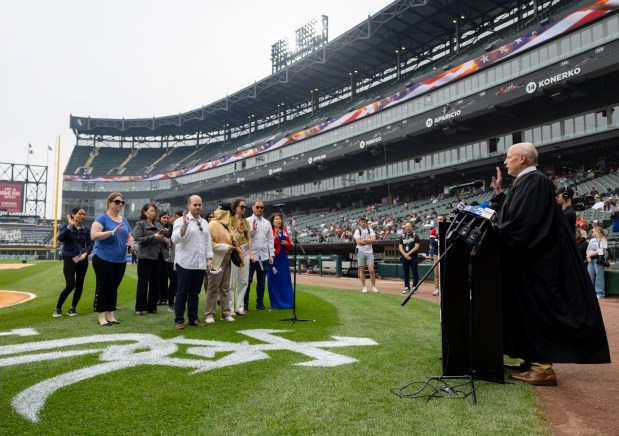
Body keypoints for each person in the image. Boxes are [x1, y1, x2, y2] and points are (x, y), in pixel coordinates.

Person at [490, 142, 609, 386]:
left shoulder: (536, 181)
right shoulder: (525, 182)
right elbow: (513, 215)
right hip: (528, 263)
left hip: (536, 264)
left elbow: (524, 224)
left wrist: (496, 232)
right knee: (523, 310)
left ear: (522, 158)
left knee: (535, 310)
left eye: (508, 157)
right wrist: (500, 194)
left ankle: (543, 369)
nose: (505, 161)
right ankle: (530, 358)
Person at [172, 195, 213, 330]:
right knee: (182, 292)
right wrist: (184, 225)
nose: (197, 207)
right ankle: (179, 319)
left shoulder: (205, 222)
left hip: (200, 263)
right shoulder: (180, 220)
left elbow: (208, 243)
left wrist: (209, 259)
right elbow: (175, 239)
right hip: (185, 262)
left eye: (199, 204)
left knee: (195, 293)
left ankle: (193, 318)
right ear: (188, 205)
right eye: (195, 204)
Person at [91, 192, 132, 326]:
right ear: (109, 203)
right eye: (117, 201)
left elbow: (129, 236)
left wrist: (131, 243)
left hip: (120, 259)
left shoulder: (124, 220)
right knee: (104, 287)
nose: (120, 204)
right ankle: (101, 316)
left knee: (114, 287)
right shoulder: (102, 218)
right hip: (103, 258)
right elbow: (94, 235)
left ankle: (111, 315)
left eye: (122, 202)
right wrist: (112, 232)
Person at [53, 207, 93, 317]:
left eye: (84, 214)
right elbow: (60, 238)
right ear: (73, 215)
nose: (83, 216)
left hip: (81, 258)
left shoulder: (86, 230)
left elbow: (90, 244)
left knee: (79, 285)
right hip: (69, 258)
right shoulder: (66, 226)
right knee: (70, 285)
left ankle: (73, 308)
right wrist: (70, 226)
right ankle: (57, 308)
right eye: (80, 214)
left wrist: (85, 254)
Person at [133, 203, 170, 315]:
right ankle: (139, 308)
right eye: (151, 210)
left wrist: (165, 240)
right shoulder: (140, 224)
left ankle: (152, 307)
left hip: (159, 257)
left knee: (155, 283)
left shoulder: (158, 224)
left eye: (154, 211)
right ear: (144, 212)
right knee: (143, 283)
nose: (153, 213)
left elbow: (165, 237)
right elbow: (137, 238)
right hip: (146, 257)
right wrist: (154, 237)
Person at [204, 203, 237, 323]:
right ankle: (209, 314)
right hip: (217, 259)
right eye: (230, 212)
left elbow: (232, 240)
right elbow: (209, 244)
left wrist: (238, 233)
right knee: (213, 288)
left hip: (227, 258)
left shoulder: (227, 225)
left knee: (225, 287)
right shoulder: (213, 224)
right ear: (225, 212)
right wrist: (225, 247)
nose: (231, 215)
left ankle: (226, 313)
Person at [244, 199, 274, 312]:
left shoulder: (267, 223)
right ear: (253, 207)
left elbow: (270, 239)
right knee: (247, 281)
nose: (260, 209)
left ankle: (259, 304)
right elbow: (246, 239)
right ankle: (245, 304)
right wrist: (253, 229)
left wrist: (271, 254)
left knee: (262, 281)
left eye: (261, 207)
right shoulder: (247, 221)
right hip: (251, 256)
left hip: (264, 256)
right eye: (257, 207)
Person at [229, 199, 251, 316]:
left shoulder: (246, 221)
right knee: (231, 281)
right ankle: (230, 307)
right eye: (241, 207)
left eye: (245, 207)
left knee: (244, 281)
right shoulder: (230, 220)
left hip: (245, 251)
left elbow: (249, 238)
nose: (243, 209)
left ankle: (239, 307)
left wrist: (251, 253)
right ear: (235, 207)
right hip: (234, 251)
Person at [267, 212, 294, 309]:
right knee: (274, 280)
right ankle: (277, 303)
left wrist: (286, 243)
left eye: (280, 219)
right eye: (276, 219)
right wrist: (274, 239)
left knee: (285, 279)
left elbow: (290, 244)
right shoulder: (270, 231)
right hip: (274, 258)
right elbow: (267, 245)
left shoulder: (284, 231)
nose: (279, 220)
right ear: (272, 222)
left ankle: (288, 302)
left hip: (283, 258)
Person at [353, 217, 379, 293]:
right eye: (362, 221)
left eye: (365, 221)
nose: (364, 223)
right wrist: (369, 241)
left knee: (371, 270)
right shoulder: (357, 231)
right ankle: (364, 287)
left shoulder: (370, 230)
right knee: (362, 270)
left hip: (369, 252)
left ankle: (373, 287)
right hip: (360, 251)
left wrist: (364, 240)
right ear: (359, 223)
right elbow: (358, 242)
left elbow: (374, 239)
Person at [165, 211, 182, 313]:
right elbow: (168, 237)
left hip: (183, 259)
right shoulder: (171, 229)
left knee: (181, 283)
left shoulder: (186, 227)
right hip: (172, 259)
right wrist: (171, 225)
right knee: (174, 283)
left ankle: (179, 303)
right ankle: (171, 303)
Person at [586, 227, 608, 300]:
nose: (591, 233)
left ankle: (600, 294)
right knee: (590, 276)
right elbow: (588, 249)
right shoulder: (592, 240)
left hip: (598, 260)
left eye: (593, 231)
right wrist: (588, 256)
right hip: (591, 260)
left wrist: (590, 255)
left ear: (598, 231)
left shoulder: (603, 239)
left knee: (599, 277)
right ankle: (591, 293)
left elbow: (601, 250)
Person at [398, 222, 420, 294]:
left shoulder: (415, 235)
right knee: (405, 273)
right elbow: (400, 247)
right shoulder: (402, 236)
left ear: (412, 227)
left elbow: (416, 247)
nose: (407, 228)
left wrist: (408, 254)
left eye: (409, 226)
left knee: (415, 273)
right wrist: (405, 255)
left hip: (413, 257)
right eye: (406, 226)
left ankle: (414, 288)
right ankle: (407, 287)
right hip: (405, 257)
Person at [156, 211, 172, 305]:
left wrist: (168, 241)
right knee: (157, 277)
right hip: (156, 255)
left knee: (164, 277)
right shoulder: (156, 227)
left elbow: (171, 243)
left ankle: (164, 298)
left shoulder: (169, 229)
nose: (166, 219)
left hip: (165, 256)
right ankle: (157, 297)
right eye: (164, 217)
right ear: (160, 218)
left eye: (167, 218)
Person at [428, 215, 444, 296]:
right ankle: (437, 288)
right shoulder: (434, 230)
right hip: (436, 253)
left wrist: (437, 240)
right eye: (438, 219)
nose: (439, 221)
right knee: (436, 272)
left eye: (441, 219)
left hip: (445, 253)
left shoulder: (447, 229)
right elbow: (432, 242)